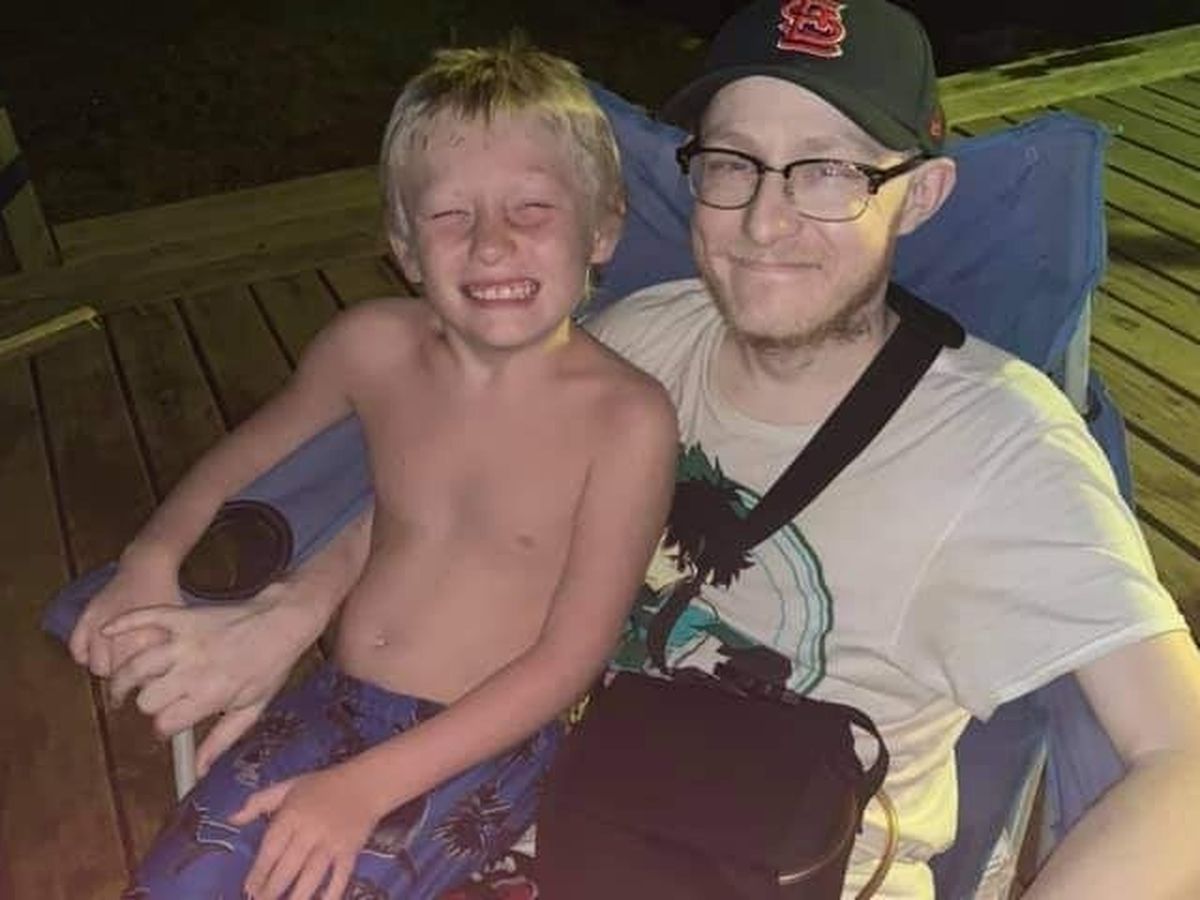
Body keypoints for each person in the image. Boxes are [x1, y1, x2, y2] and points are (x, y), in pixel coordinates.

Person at [78, 1, 1200, 898]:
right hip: (524, 813)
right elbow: (460, 491)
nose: (765, 222)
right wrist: (294, 609)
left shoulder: (1000, 444)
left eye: (828, 171)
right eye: (733, 164)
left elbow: (1184, 767)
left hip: (767, 863)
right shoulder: (642, 333)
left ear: (918, 196)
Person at [69, 40, 678, 900]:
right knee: (177, 883)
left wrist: (362, 790)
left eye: (532, 209)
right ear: (404, 245)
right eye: (451, 215)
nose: (492, 245)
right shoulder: (371, 349)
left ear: (603, 228)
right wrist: (151, 558)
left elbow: (567, 660)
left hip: (487, 741)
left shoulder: (626, 420)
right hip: (336, 700)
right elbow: (240, 459)